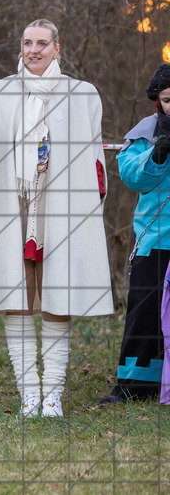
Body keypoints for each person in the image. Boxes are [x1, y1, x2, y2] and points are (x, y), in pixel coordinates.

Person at [0, 19, 112, 417]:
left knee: (58, 293)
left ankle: (52, 393)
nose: (33, 50)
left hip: (60, 205)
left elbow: (93, 159)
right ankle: (28, 393)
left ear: (57, 47)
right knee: (16, 294)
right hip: (12, 203)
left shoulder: (81, 93)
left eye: (41, 43)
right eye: (26, 43)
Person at [102, 63, 170, 403]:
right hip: (155, 237)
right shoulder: (145, 130)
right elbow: (131, 176)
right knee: (145, 310)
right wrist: (155, 155)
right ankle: (136, 386)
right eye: (169, 99)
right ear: (157, 99)